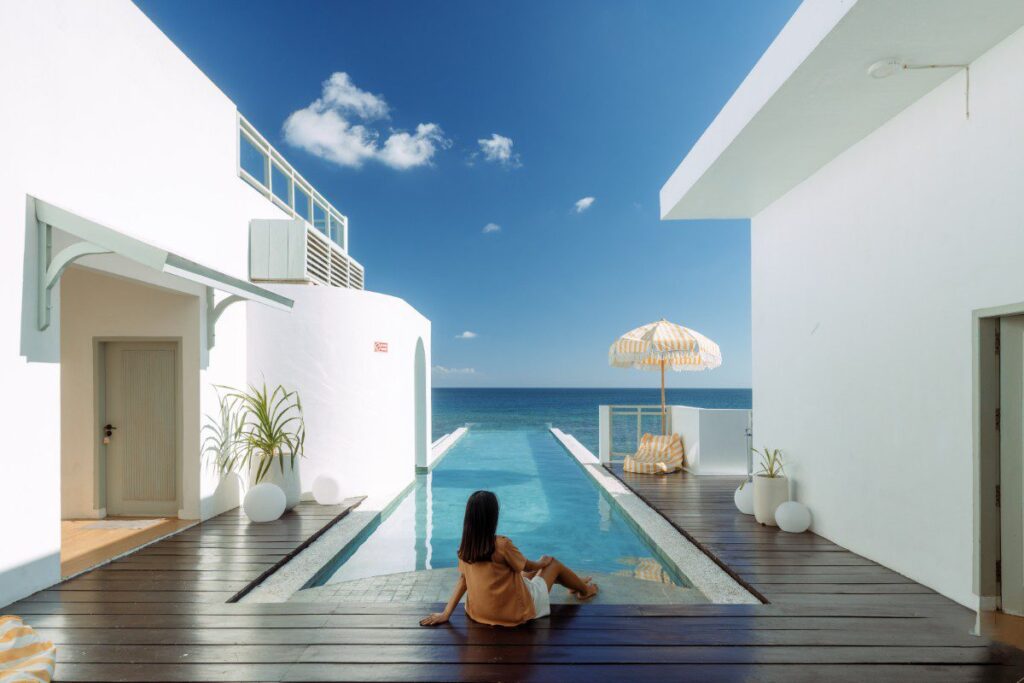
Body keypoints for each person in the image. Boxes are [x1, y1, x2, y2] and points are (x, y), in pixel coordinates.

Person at [420, 490, 598, 627]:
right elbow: (528, 567)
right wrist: (543, 563)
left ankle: (573, 582)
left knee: (524, 573)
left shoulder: (466, 547)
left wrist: (446, 613)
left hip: (479, 612)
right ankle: (584, 590)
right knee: (551, 562)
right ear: (492, 518)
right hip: (514, 612)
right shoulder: (501, 545)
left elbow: (463, 580)